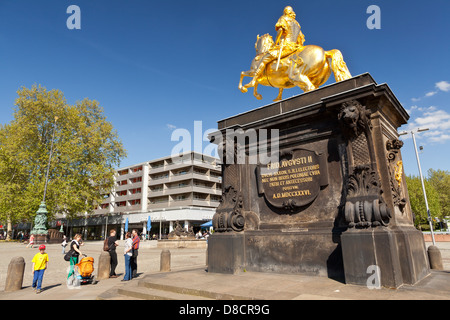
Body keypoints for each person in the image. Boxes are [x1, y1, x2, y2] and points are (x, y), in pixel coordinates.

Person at [247, 6, 305, 87]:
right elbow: (300, 39)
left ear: (285, 12)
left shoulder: (283, 18)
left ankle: (253, 80)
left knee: (264, 59)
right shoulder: (297, 24)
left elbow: (280, 31)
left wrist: (275, 43)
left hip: (286, 46)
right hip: (295, 47)